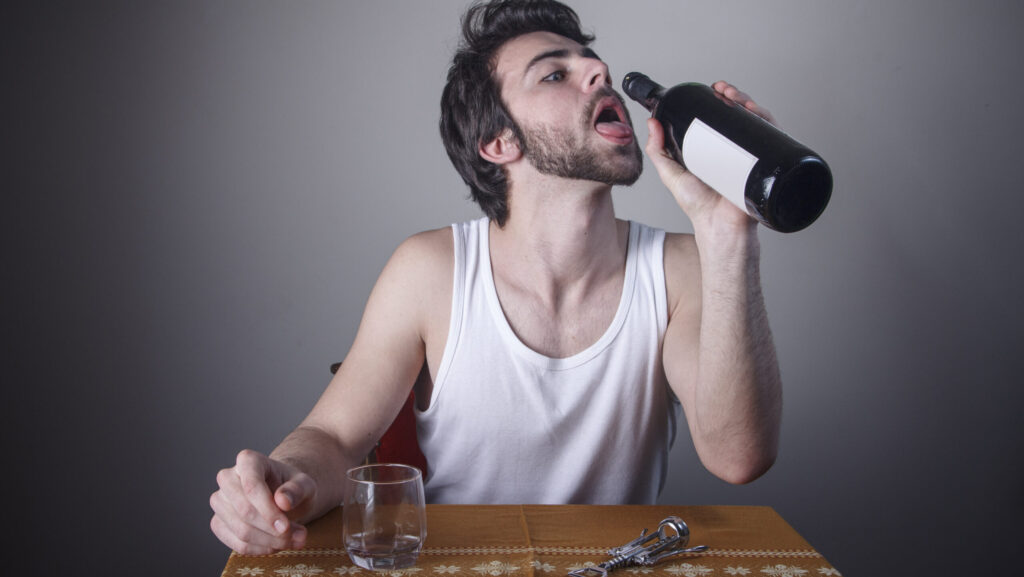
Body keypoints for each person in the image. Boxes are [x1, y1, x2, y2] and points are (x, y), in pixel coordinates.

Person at [210, 0, 782, 556]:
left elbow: (738, 459)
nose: (598, 71)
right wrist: (286, 482)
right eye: (556, 73)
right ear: (498, 143)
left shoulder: (680, 267)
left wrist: (729, 233)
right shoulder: (430, 270)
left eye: (590, 61)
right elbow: (332, 439)